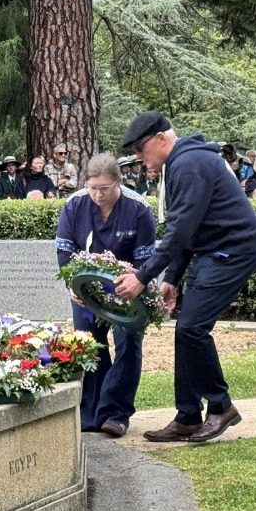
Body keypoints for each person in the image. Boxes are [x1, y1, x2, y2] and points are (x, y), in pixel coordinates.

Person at [114, 111, 256, 443]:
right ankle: (188, 416)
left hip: (232, 250)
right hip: (212, 250)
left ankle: (221, 406)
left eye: (141, 149)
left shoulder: (189, 164)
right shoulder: (182, 162)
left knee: (193, 329)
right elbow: (185, 227)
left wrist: (143, 277)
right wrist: (172, 278)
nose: (139, 158)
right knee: (186, 331)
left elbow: (180, 229)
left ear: (160, 139)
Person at [56, 153, 156, 436]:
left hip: (130, 288)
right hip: (86, 289)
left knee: (128, 344)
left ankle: (116, 413)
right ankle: (90, 413)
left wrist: (137, 284)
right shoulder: (74, 205)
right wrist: (72, 285)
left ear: (118, 183)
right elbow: (64, 251)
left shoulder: (138, 208)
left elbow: (146, 259)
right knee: (90, 346)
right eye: (93, 187)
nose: (98, 194)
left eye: (105, 188)